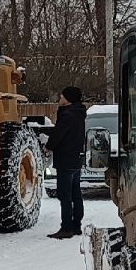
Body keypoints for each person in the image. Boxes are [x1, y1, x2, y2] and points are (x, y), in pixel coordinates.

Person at [43, 86, 87, 239]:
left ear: (68, 99)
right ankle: (76, 226)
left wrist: (48, 147)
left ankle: (66, 227)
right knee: (76, 194)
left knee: (65, 195)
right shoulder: (79, 114)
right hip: (75, 159)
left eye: (62, 97)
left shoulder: (67, 115)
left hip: (65, 160)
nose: (60, 99)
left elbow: (58, 134)